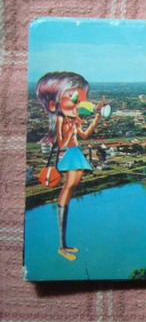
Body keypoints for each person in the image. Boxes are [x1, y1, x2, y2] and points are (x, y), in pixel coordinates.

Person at [36, 71, 103, 261]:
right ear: (53, 104)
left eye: (81, 101)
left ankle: (64, 244)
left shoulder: (73, 119)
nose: (79, 105)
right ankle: (61, 245)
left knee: (70, 189)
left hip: (75, 154)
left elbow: (84, 135)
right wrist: (71, 128)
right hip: (68, 154)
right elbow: (62, 142)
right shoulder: (60, 119)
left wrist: (96, 119)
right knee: (67, 190)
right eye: (74, 98)